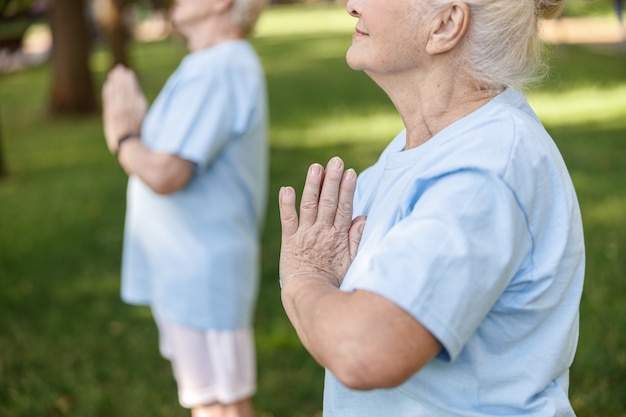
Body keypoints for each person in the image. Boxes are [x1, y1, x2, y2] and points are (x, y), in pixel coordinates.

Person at [278, 0, 585, 415]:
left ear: (446, 24)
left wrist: (304, 279)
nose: (351, 5)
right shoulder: (430, 146)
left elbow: (364, 350)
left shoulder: (483, 171)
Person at [101, 0, 268, 415]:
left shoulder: (220, 67)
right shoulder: (209, 64)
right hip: (187, 268)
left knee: (221, 405)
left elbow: (166, 173)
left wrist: (123, 137)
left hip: (202, 270)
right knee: (208, 400)